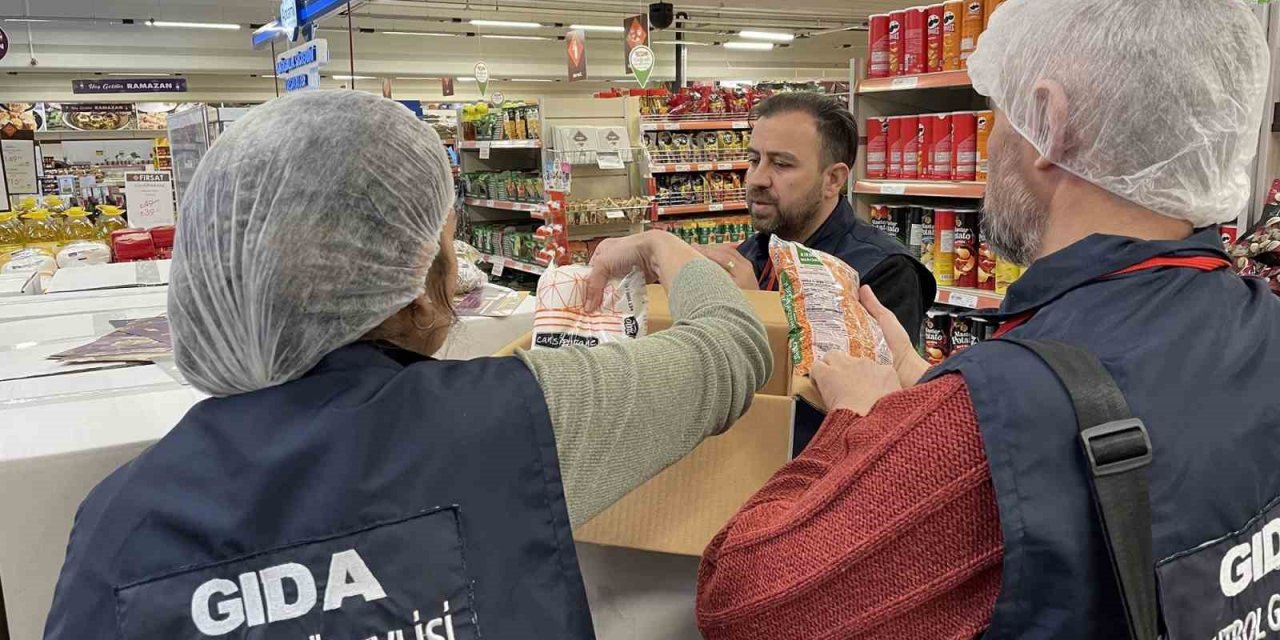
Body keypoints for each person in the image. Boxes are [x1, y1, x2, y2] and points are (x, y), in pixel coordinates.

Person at [42, 91, 772, 639]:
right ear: (411, 279)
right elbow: (732, 348)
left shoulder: (118, 523)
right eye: (446, 246)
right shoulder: (515, 419)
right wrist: (657, 249)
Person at [694, 0, 1280, 638]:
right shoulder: (1262, 323)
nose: (991, 142)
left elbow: (741, 603)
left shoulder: (1001, 410)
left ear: (1050, 124)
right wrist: (929, 391)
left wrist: (861, 425)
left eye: (997, 114)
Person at [698, 92, 935, 344]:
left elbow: (870, 381)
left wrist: (754, 309)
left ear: (832, 180)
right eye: (754, 160)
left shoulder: (884, 272)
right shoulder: (752, 254)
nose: (757, 178)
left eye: (781, 164)